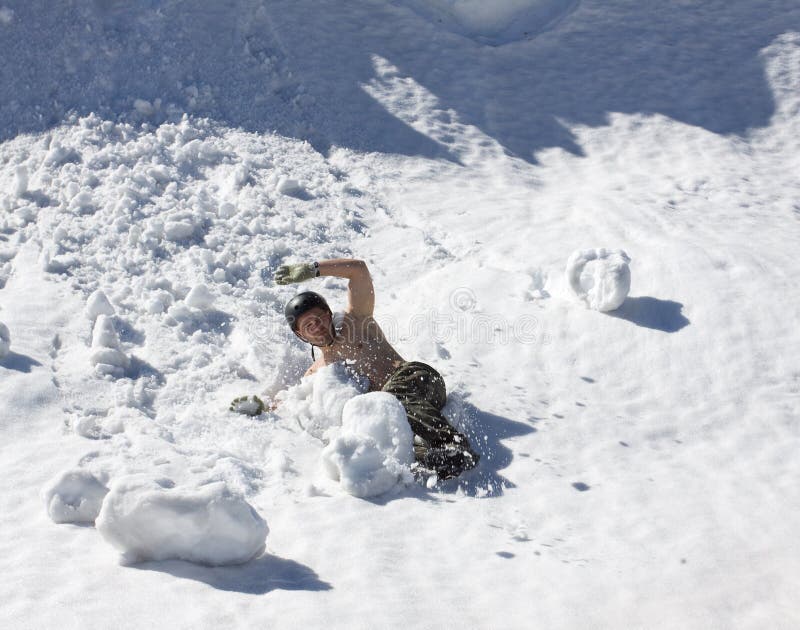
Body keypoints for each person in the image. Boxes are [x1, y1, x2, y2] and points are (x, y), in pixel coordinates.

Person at [276, 258, 479, 480]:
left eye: (318, 318)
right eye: (308, 326)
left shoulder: (356, 321)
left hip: (419, 380)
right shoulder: (316, 373)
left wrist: (312, 270)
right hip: (403, 415)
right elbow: (292, 402)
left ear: (328, 313)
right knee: (394, 441)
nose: (317, 327)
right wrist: (259, 406)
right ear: (300, 335)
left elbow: (358, 271)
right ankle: (435, 458)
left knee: (392, 396)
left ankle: (453, 444)